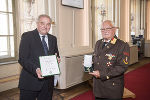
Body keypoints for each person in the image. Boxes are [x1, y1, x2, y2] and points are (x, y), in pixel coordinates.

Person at [18, 14, 60, 100]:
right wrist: (36, 69)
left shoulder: (53, 39)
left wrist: (57, 59)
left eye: (48, 24)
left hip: (48, 83)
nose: (45, 26)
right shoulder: (27, 36)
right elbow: (22, 59)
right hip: (30, 81)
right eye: (42, 23)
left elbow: (56, 53)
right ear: (37, 24)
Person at [89, 20, 130, 100]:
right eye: (102, 29)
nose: (105, 31)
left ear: (114, 29)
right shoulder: (98, 43)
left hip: (112, 88)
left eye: (108, 28)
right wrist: (90, 63)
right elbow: (97, 60)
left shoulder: (122, 45)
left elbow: (122, 67)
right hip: (98, 87)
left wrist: (102, 74)